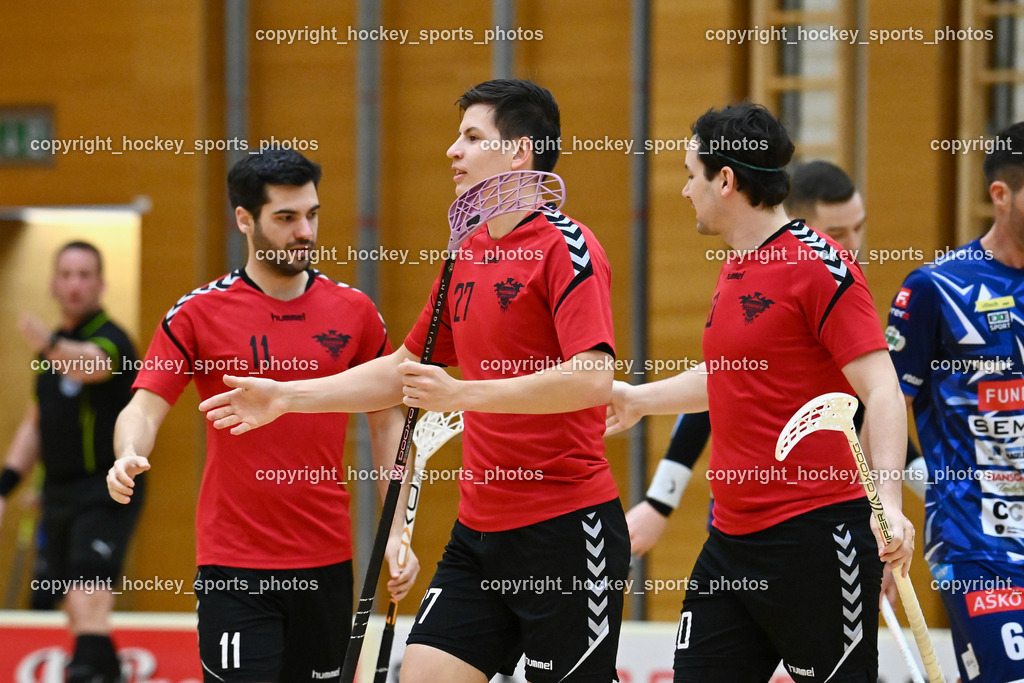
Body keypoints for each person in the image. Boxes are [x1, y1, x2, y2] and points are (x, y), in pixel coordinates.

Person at [199, 79, 630, 683]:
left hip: (565, 532)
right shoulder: (466, 253)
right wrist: (288, 397)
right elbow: (402, 368)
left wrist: (462, 395)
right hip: (478, 535)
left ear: (519, 152)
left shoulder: (568, 246)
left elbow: (592, 377)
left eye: (472, 137)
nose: (452, 151)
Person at [605, 103, 914, 681]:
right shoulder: (738, 265)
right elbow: (732, 376)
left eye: (690, 173)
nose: (684, 190)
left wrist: (890, 505)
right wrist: (640, 399)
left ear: (725, 180)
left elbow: (884, 388)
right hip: (731, 540)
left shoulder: (822, 266)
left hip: (820, 541)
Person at [106, 148, 418, 682]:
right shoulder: (197, 313)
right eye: (286, 217)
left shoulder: (355, 312)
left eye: (312, 214)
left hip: (325, 562)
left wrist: (396, 528)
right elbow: (144, 405)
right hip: (234, 565)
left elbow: (387, 421)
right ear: (245, 220)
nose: (305, 231)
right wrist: (129, 452)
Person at [628, 161, 928, 557]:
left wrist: (918, 500)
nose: (853, 244)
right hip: (743, 519)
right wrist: (659, 502)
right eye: (838, 232)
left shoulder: (836, 281)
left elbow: (875, 400)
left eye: (859, 228)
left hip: (822, 519)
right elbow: (721, 385)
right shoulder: (758, 268)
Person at [885, 121, 1024, 682]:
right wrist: (886, 512)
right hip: (978, 543)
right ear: (1001, 194)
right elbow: (885, 400)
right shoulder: (937, 289)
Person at [0, 241, 142, 683]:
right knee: (70, 602)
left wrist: (50, 343)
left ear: (101, 283)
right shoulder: (47, 358)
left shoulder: (112, 339)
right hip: (58, 493)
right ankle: (102, 669)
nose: (75, 284)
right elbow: (34, 425)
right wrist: (5, 487)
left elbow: (93, 366)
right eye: (67, 274)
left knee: (88, 590)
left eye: (85, 275)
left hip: (106, 487)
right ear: (53, 283)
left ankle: (84, 672)